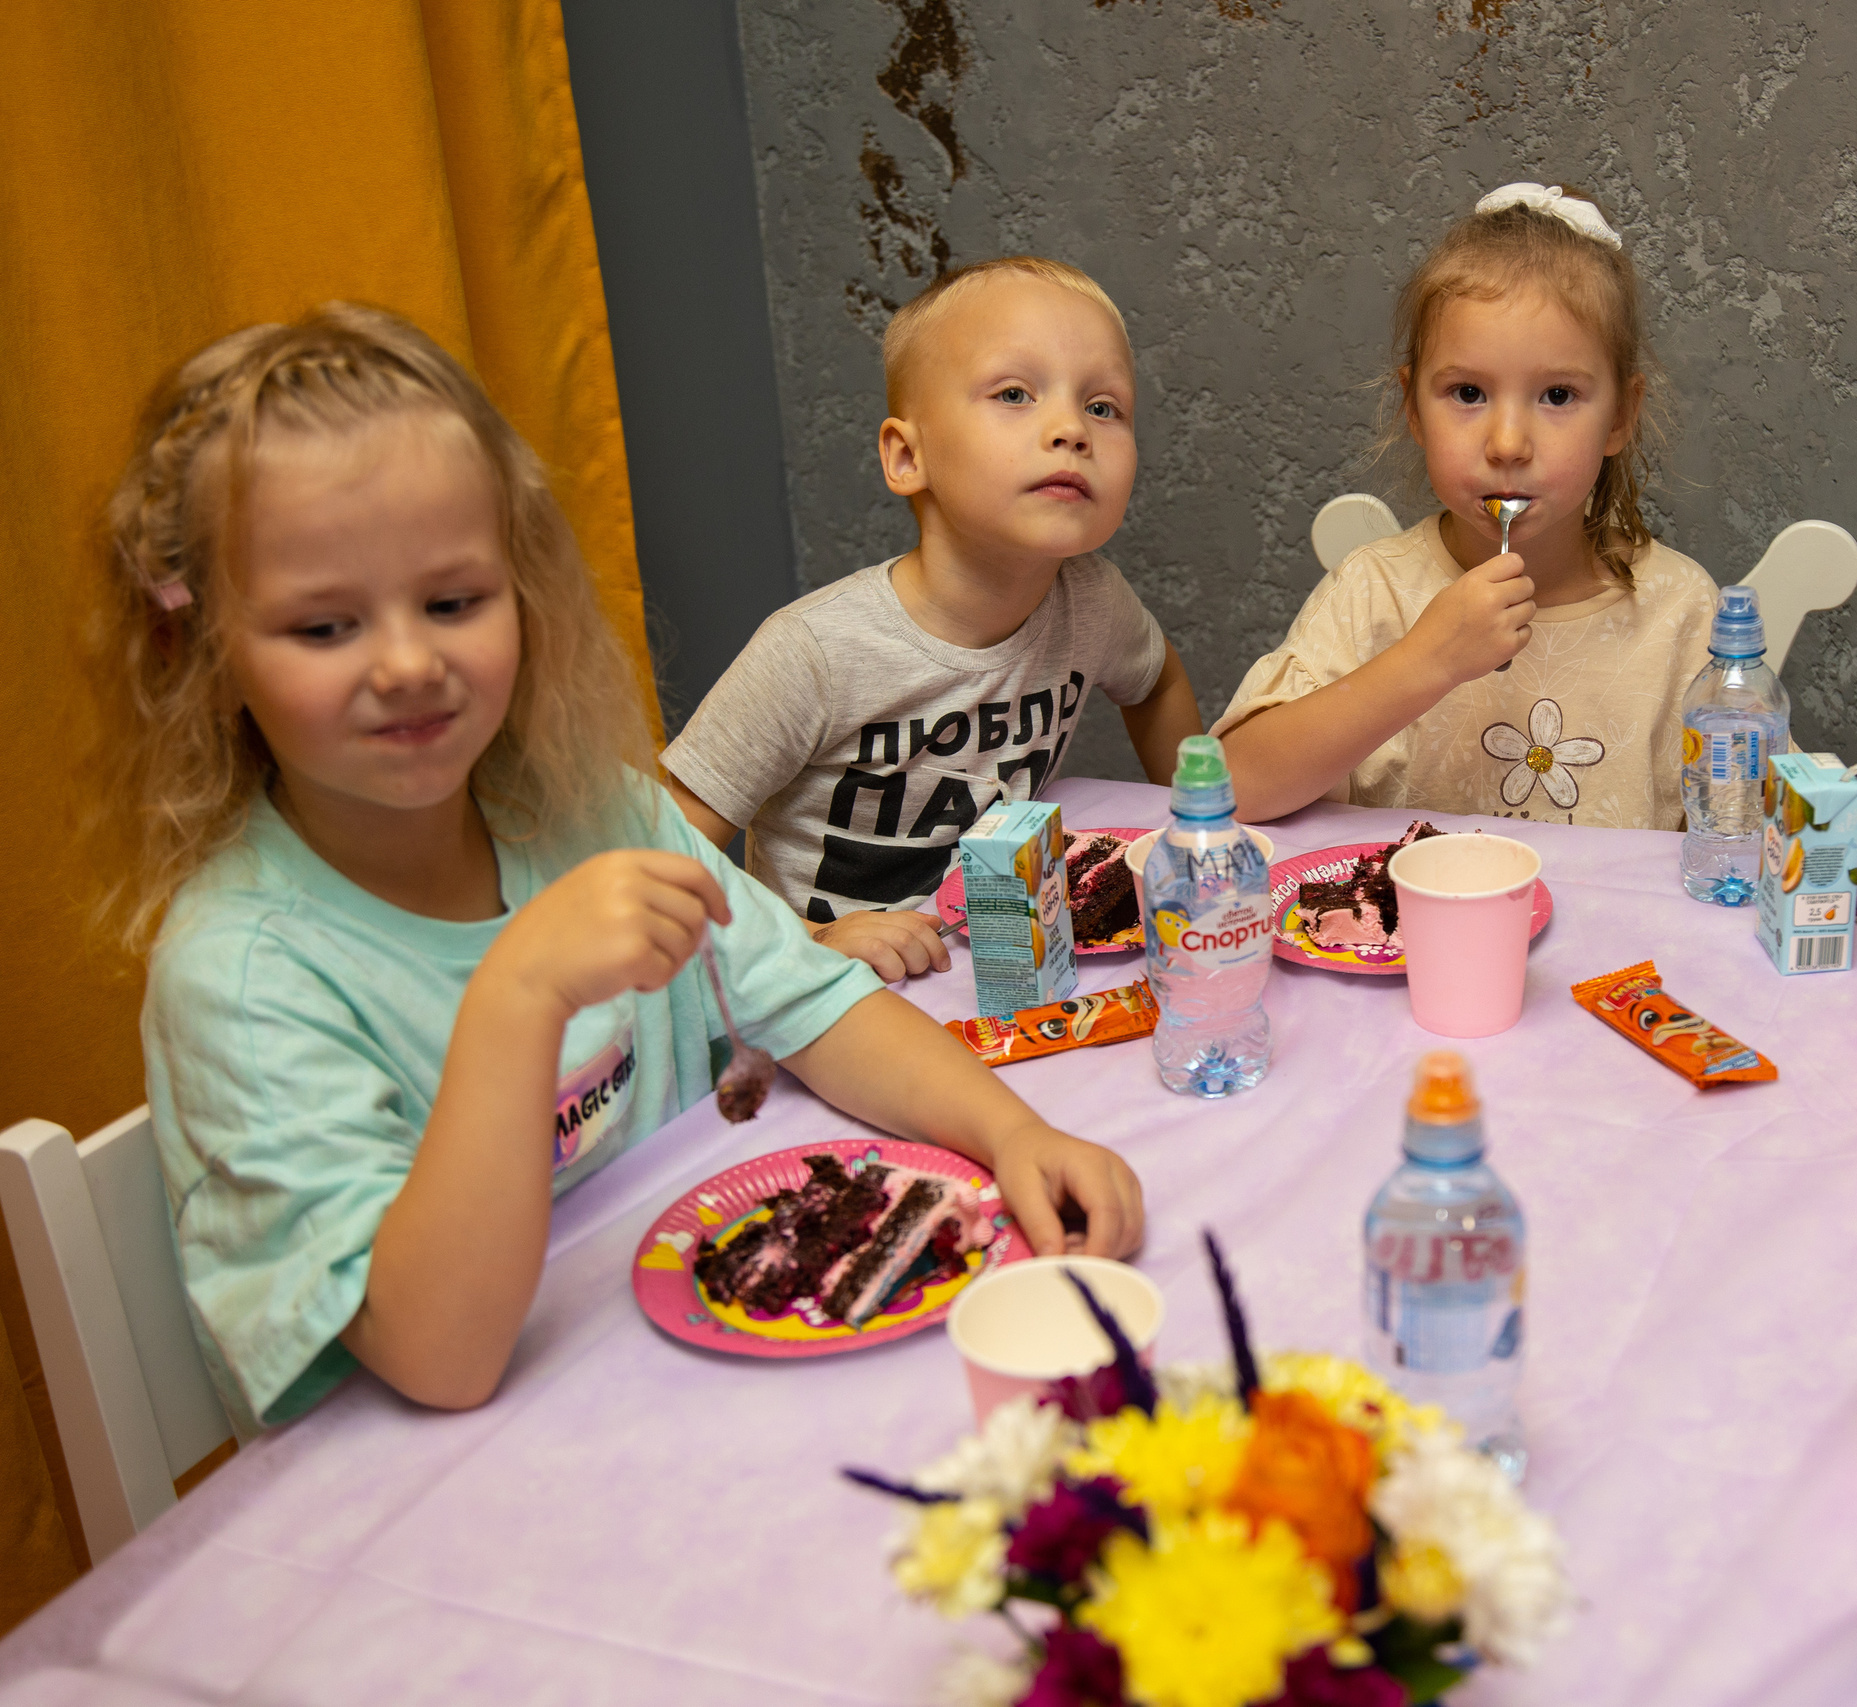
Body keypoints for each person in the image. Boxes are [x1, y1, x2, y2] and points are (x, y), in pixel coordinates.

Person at [94, 305, 1143, 1431]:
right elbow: (436, 1356)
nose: (406, 663)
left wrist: (1008, 1133)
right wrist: (519, 994)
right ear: (199, 649)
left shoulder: (587, 810)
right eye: (322, 628)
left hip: (685, 1380)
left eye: (453, 603)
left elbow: (810, 999)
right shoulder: (245, 978)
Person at [660, 257, 1200, 982]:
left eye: (1104, 407)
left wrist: (1199, 834)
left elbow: (1156, 678)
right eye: (1015, 393)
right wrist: (800, 945)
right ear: (907, 455)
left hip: (992, 966)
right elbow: (661, 858)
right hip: (822, 997)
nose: (1072, 427)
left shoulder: (1094, 602)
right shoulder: (814, 652)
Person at [1215, 183, 1721, 829]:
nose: (1507, 443)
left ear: (1621, 414)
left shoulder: (1680, 612)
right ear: (1413, 408)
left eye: (1559, 395)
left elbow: (1750, 837)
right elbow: (1233, 788)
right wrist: (1425, 662)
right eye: (1468, 392)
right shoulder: (1377, 594)